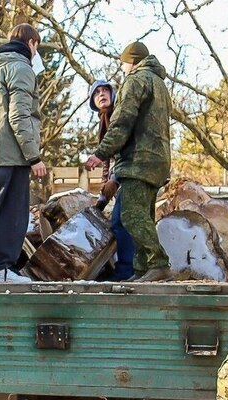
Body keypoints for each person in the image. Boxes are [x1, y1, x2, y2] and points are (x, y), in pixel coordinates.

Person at [85, 41, 172, 282]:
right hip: (157, 161)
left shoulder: (135, 80)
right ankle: (143, 269)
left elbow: (122, 122)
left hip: (138, 161)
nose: (122, 68)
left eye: (123, 63)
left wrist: (100, 154)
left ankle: (159, 263)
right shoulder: (159, 84)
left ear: (130, 61)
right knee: (143, 215)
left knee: (131, 216)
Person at [0, 23, 47, 284]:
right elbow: (19, 116)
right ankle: (2, 270)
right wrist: (34, 157)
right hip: (11, 155)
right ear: (31, 44)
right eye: (37, 46)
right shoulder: (21, 68)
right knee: (13, 215)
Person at [88, 79, 135, 281]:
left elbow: (123, 149)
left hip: (132, 171)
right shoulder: (104, 119)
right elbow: (108, 160)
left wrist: (115, 179)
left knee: (121, 221)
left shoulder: (117, 116)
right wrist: (102, 196)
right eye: (97, 92)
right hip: (124, 172)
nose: (102, 94)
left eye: (105, 90)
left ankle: (126, 271)